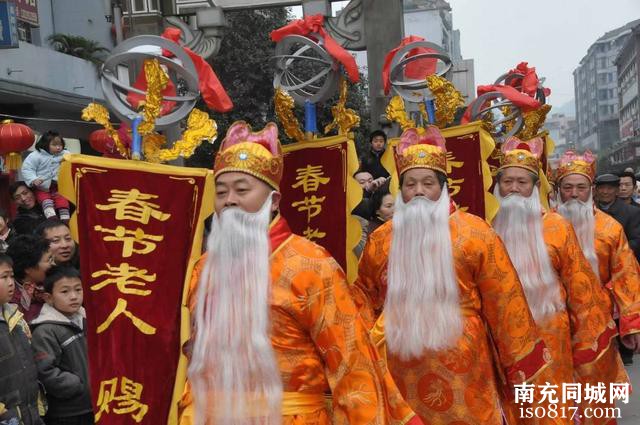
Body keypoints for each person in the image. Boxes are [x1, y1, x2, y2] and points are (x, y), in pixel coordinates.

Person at [179, 121, 422, 425]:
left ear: (273, 202)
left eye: (242, 190)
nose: (229, 200)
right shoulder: (204, 270)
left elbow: (351, 363)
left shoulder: (310, 264)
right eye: (222, 192)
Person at [353, 126, 549, 424]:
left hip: (466, 363)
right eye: (410, 184)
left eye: (428, 183)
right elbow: (363, 298)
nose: (418, 191)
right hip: (401, 366)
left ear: (443, 187)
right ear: (401, 191)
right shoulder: (382, 240)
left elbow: (506, 303)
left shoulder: (475, 232)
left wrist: (522, 369)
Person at [492, 138, 623, 424]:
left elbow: (582, 290)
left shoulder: (556, 226)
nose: (514, 189)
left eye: (522, 182)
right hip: (500, 346)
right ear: (497, 186)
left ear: (535, 188)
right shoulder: (485, 228)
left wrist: (591, 345)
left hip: (551, 338)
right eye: (508, 181)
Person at [555, 150, 640, 367]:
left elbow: (627, 275)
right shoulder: (543, 227)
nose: (574, 194)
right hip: (554, 322)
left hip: (599, 319)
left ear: (591, 190)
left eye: (581, 187)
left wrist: (632, 323)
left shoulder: (610, 228)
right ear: (558, 191)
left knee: (595, 392)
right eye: (567, 187)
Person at [31, 266, 93, 425]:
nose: (74, 296)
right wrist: (78, 385)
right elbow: (46, 371)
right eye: (65, 292)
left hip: (94, 403)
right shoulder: (45, 330)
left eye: (78, 290)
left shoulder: (87, 319)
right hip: (67, 411)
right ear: (48, 298)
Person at [0, 253, 44, 425]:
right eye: (4, 277)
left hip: (29, 414)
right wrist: (4, 414)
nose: (11, 282)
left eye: (11, 276)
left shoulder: (15, 317)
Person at [21, 131, 71, 220]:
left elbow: (74, 163)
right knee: (45, 200)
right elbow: (27, 169)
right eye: (55, 145)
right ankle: (52, 218)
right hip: (42, 186)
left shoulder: (66, 155)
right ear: (45, 144)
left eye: (60, 145)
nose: (59, 147)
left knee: (62, 200)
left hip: (59, 186)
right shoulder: (35, 156)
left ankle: (65, 219)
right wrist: (33, 179)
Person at [6, 235, 54, 322]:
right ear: (29, 269)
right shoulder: (10, 299)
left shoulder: (55, 282)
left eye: (51, 258)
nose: (53, 264)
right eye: (48, 260)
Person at [594, 173, 640, 260]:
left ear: (617, 191)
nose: (605, 192)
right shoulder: (590, 211)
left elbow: (636, 241)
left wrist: (613, 252)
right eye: (601, 188)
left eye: (610, 188)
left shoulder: (632, 212)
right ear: (596, 190)